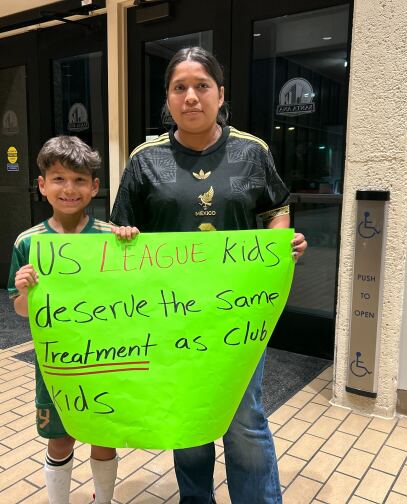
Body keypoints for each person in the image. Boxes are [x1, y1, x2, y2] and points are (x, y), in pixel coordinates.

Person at [110, 47, 307, 503]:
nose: (191, 97)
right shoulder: (144, 159)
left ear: (220, 94)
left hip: (237, 317)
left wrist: (282, 245)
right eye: (180, 87)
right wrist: (123, 236)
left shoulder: (251, 151)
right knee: (191, 416)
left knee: (244, 419)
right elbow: (122, 227)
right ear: (168, 98)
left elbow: (277, 207)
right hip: (173, 317)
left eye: (202, 86)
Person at [9, 136, 135, 504]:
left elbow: (135, 295)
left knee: (104, 434)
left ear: (95, 187)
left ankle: (104, 500)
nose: (69, 189)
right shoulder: (28, 243)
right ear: (42, 185)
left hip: (107, 360)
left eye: (80, 180)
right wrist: (27, 293)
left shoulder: (112, 238)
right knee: (60, 438)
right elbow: (21, 310)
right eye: (59, 178)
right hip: (57, 364)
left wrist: (132, 245)